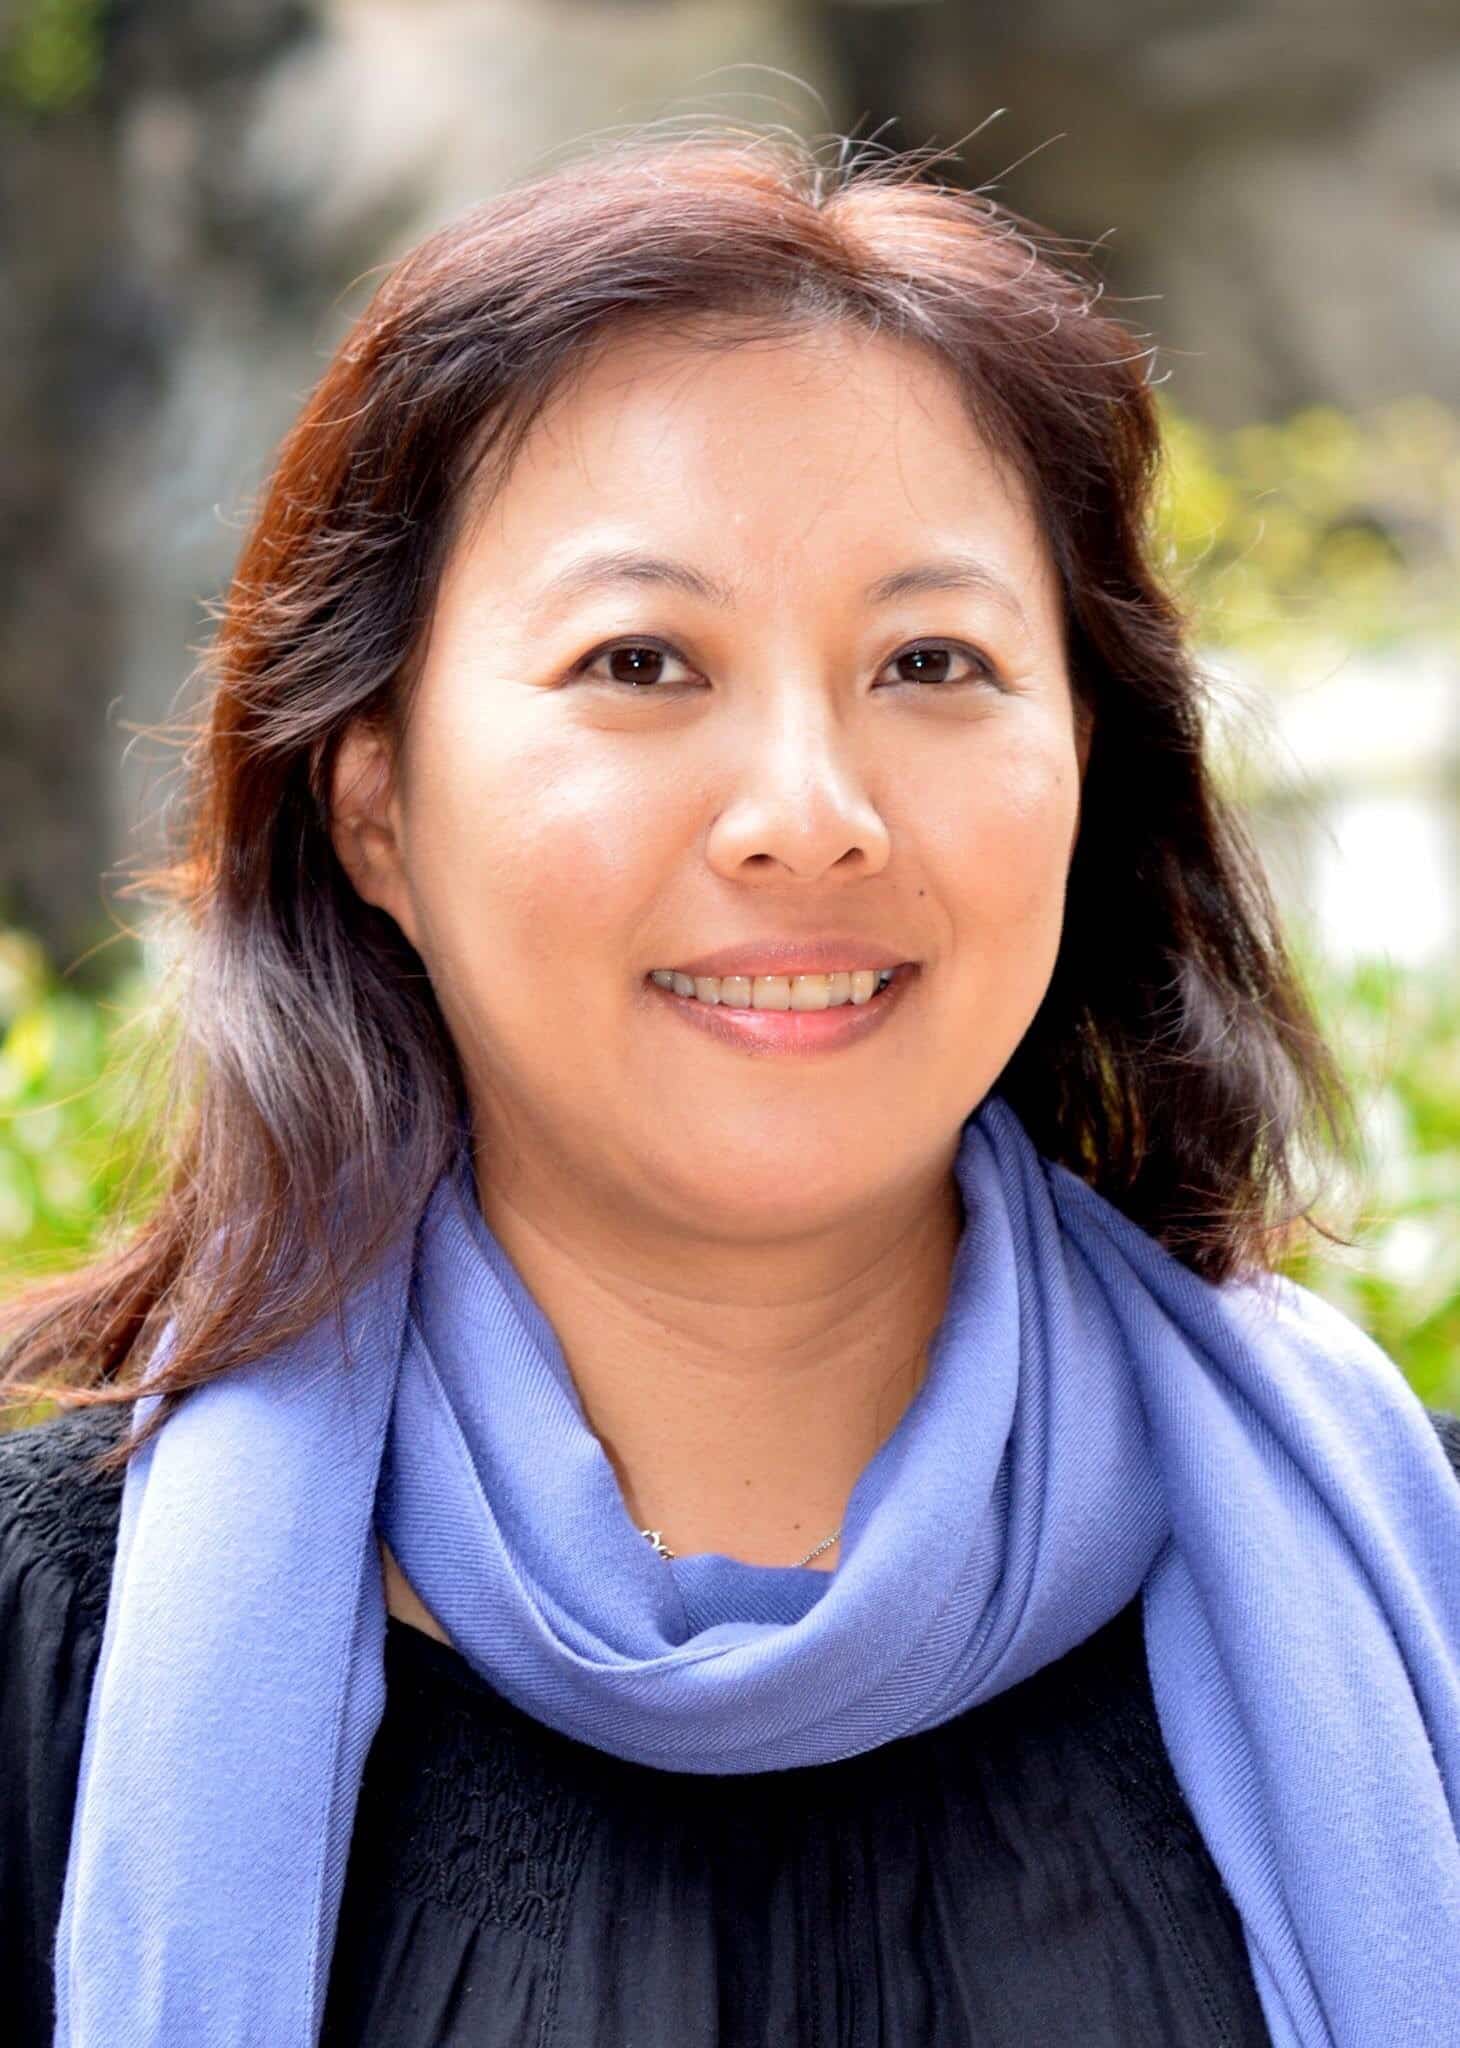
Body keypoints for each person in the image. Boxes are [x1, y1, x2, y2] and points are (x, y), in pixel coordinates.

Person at [2, 125, 1458, 2048]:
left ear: (1090, 764)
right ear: (376, 808)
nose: (808, 817)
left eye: (932, 659)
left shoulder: (1394, 1566)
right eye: (641, 661)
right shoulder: (53, 1645)